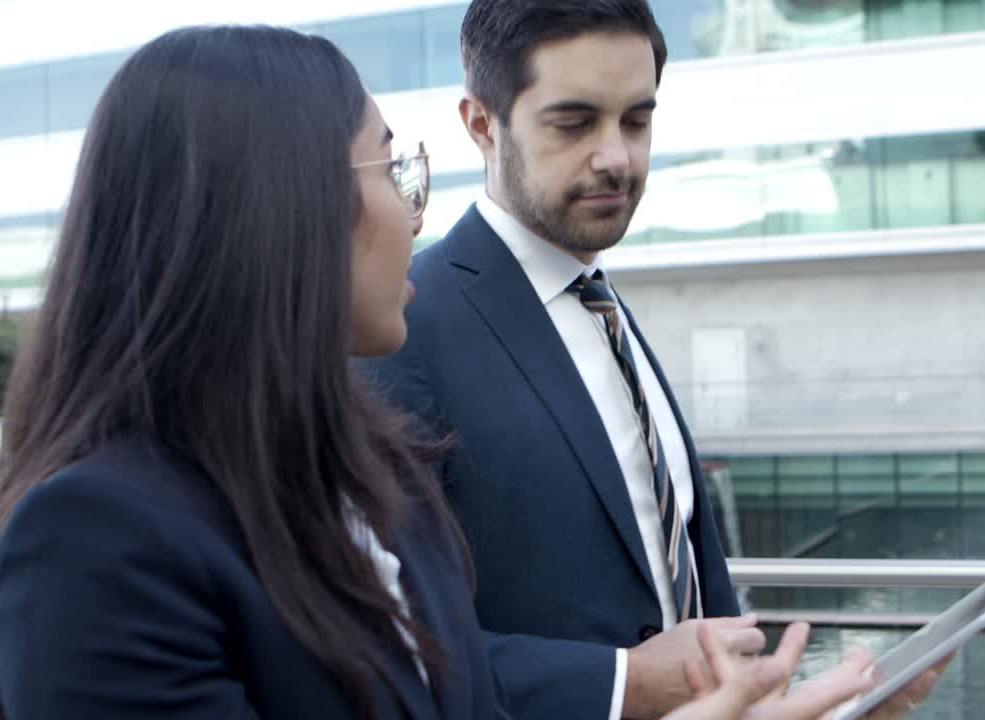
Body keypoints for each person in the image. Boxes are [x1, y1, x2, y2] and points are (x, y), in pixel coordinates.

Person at [0, 21, 904, 720]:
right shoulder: (97, 540)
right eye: (393, 172)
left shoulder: (386, 487)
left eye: (638, 119)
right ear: (275, 215)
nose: (416, 213)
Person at [362, 1, 945, 718]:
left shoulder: (604, 310)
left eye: (637, 120)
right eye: (575, 123)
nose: (618, 157)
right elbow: (393, 651)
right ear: (482, 124)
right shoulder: (404, 330)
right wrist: (624, 682)